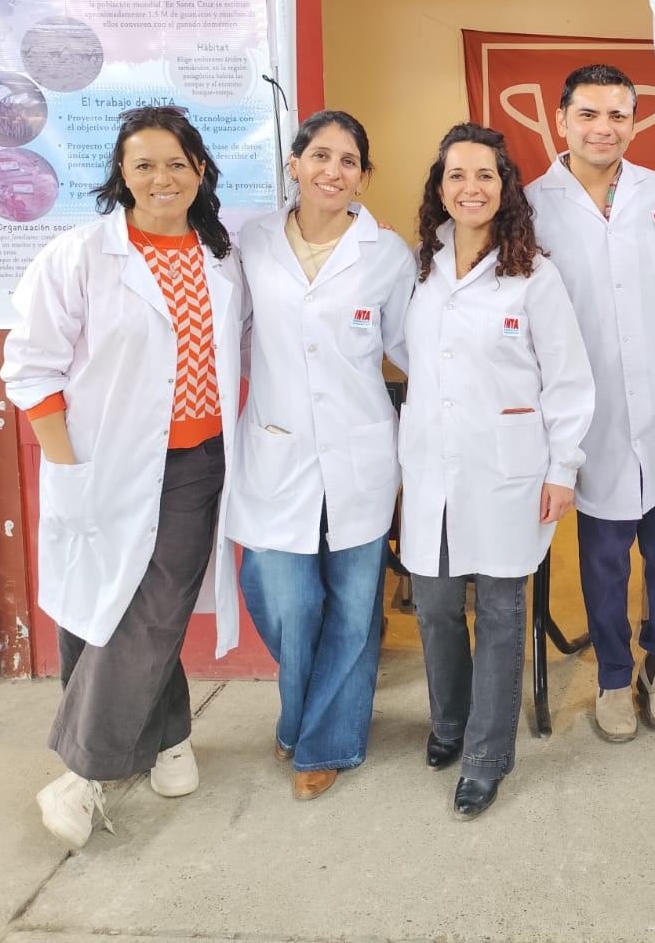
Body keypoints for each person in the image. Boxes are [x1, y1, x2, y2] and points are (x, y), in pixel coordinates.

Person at [2, 106, 245, 847]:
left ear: (199, 170)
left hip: (194, 465)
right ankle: (164, 740)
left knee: (151, 608)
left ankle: (82, 773)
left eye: (176, 162)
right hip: (100, 460)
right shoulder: (80, 255)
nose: (161, 178)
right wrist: (70, 464)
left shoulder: (220, 257)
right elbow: (30, 365)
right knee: (97, 607)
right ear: (121, 175)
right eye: (143, 165)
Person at [400, 123, 593, 818]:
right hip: (432, 468)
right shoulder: (420, 266)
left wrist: (562, 468)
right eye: (457, 175)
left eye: (484, 175)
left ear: (504, 186)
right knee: (437, 605)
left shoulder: (534, 274)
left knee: (504, 611)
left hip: (512, 466)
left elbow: (569, 381)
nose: (470, 187)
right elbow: (410, 352)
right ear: (440, 186)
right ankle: (448, 722)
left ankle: (486, 753)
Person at [227, 109, 416, 800]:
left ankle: (325, 742)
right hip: (275, 450)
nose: (334, 171)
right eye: (321, 156)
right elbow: (229, 335)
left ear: (364, 177)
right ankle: (301, 711)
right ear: (295, 164)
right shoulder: (252, 243)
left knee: (355, 603)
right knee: (284, 599)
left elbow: (414, 348)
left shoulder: (387, 255)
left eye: (349, 161)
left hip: (362, 450)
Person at [525, 65, 655, 742]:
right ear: (561, 120)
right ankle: (611, 676)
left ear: (634, 122)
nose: (604, 128)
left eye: (618, 115)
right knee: (603, 556)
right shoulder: (531, 203)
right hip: (592, 409)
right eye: (589, 114)